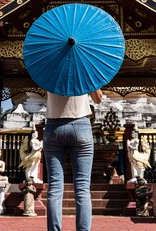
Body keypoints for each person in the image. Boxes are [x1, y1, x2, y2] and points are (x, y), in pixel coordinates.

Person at [44, 88, 102, 231]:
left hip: (53, 125)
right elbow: (98, 99)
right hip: (80, 123)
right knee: (82, 188)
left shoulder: (49, 69)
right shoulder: (84, 69)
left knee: (55, 186)